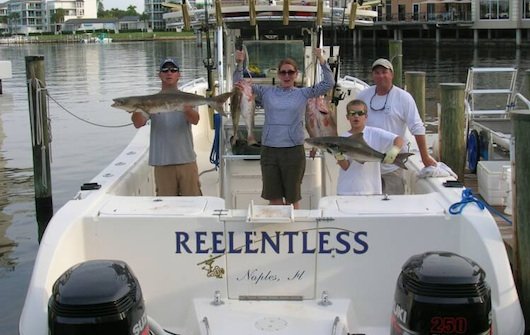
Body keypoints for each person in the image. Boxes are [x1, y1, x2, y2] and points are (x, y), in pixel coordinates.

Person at [233, 48, 334, 209]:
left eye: (290, 72)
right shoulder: (266, 92)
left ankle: (297, 232)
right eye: (283, 72)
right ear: (278, 74)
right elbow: (239, 83)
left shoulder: (303, 93)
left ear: (296, 74)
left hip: (293, 151)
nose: (287, 76)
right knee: (274, 199)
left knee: (293, 199)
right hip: (269, 151)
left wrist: (322, 60)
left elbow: (329, 83)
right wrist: (239, 63)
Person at [356, 58, 437, 194]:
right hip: (367, 166)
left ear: (392, 74)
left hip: (392, 165)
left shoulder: (404, 97)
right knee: (368, 207)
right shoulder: (363, 96)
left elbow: (417, 127)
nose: (381, 76)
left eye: (384, 72)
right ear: (372, 76)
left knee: (393, 205)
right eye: (377, 72)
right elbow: (354, 123)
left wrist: (425, 157)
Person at [131, 57, 202, 196]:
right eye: (165, 70)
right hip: (162, 163)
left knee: (194, 204)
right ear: (160, 75)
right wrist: (136, 109)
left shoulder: (188, 98)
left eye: (173, 70)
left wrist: (187, 109)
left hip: (186, 160)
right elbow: (138, 123)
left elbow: (196, 120)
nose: (169, 73)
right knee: (166, 207)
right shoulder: (151, 101)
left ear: (178, 75)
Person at [336, 99, 405, 196]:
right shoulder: (342, 138)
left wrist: (394, 151)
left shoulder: (375, 133)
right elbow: (345, 166)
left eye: (360, 113)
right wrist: (338, 156)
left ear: (366, 116)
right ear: (347, 117)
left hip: (371, 189)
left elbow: (399, 140)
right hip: (346, 190)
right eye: (352, 113)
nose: (356, 116)